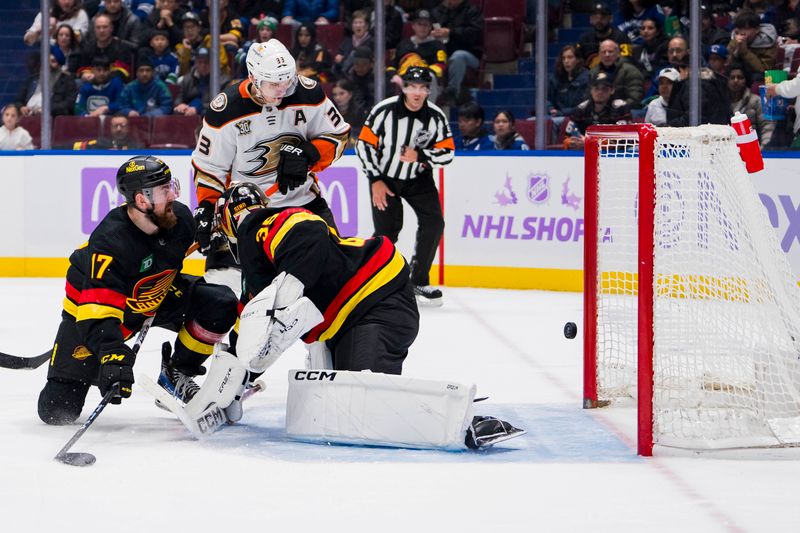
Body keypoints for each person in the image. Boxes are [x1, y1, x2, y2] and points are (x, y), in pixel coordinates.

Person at [210, 181, 523, 450]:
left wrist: (292, 285)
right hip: (355, 315)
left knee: (367, 403)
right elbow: (252, 332)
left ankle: (465, 422)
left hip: (377, 298)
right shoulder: (262, 270)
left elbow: (309, 231)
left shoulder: (260, 226)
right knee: (345, 407)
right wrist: (235, 383)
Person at [36, 156, 238, 425]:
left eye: (172, 186)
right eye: (164, 191)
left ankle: (176, 373)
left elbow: (173, 253)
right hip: (95, 313)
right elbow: (96, 313)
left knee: (220, 304)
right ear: (142, 201)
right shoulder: (111, 242)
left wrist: (217, 227)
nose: (174, 195)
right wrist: (113, 354)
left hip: (156, 295)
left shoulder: (180, 221)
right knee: (57, 410)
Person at [191, 38, 350, 293]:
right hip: (249, 212)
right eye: (274, 83)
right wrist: (207, 209)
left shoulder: (307, 93)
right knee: (255, 295)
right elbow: (210, 169)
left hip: (303, 203)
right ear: (253, 77)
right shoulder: (226, 110)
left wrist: (309, 153)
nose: (283, 89)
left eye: (287, 80)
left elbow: (339, 136)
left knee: (334, 281)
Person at [355, 66, 454, 306]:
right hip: (384, 178)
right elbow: (363, 145)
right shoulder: (384, 111)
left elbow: (448, 153)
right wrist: (375, 179)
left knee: (434, 222)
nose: (417, 92)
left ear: (429, 90)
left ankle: (418, 280)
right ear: (404, 87)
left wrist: (420, 156)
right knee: (387, 234)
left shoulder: (435, 116)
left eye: (422, 88)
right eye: (412, 87)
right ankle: (370, 282)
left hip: (418, 179)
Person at [388, 8, 447, 102]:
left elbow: (440, 66)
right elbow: (392, 66)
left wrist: (419, 73)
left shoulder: (437, 45)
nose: (422, 28)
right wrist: (395, 76)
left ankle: (428, 112)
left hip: (425, 79)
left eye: (426, 25)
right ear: (413, 26)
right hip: (404, 78)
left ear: (430, 27)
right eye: (419, 24)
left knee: (430, 76)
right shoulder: (403, 44)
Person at [431, 0, 483, 105]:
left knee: (458, 56)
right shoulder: (440, 11)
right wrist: (433, 33)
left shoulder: (471, 10)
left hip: (469, 54)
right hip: (444, 52)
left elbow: (475, 34)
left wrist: (451, 32)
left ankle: (451, 93)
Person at [564, 71, 632, 150]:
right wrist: (572, 142)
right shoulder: (580, 109)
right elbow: (566, 139)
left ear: (612, 90)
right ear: (591, 90)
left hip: (616, 156)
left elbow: (624, 141)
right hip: (584, 154)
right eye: (596, 88)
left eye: (604, 89)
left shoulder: (621, 108)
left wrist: (589, 144)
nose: (600, 92)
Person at [76, 13, 135, 82]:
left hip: (114, 84)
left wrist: (101, 77)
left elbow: (123, 71)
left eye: (105, 27)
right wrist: (84, 74)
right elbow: (83, 67)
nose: (101, 30)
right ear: (94, 29)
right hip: (92, 83)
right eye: (98, 27)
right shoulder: (88, 47)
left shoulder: (121, 47)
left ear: (111, 29)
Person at [547, 44, 590, 138]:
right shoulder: (555, 78)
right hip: (556, 116)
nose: (566, 61)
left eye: (570, 57)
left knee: (554, 122)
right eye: (564, 58)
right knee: (534, 121)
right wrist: (550, 109)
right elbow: (546, 99)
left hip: (578, 119)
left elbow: (584, 105)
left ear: (578, 60)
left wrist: (561, 113)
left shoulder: (587, 78)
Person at [175, 47, 232, 116]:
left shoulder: (223, 80)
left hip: (211, 116)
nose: (203, 65)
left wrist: (198, 109)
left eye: (206, 62)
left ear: (213, 63)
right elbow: (178, 97)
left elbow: (222, 103)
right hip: (187, 114)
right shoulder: (186, 79)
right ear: (195, 63)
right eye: (200, 62)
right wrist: (180, 105)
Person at [589, 39, 645, 109]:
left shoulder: (631, 71)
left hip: (624, 110)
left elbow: (635, 98)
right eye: (603, 52)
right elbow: (588, 95)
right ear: (599, 55)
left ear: (618, 53)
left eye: (610, 51)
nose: (607, 55)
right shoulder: (593, 72)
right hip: (599, 110)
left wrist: (622, 105)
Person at [729, 64, 774, 147]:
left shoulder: (756, 101)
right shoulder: (722, 102)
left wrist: (765, 148)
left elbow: (767, 126)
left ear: (746, 80)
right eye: (732, 78)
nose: (736, 80)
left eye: (740, 77)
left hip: (753, 151)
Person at [727, 10, 778, 83]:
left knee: (755, 77)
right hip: (743, 72)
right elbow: (727, 63)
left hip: (768, 75)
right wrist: (733, 48)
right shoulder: (735, 39)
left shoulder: (768, 41)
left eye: (746, 29)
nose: (742, 32)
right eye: (740, 29)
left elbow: (765, 69)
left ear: (757, 29)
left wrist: (745, 52)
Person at [577, 2, 632, 68]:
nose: (599, 21)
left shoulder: (622, 38)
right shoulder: (584, 39)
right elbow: (578, 62)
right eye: (595, 17)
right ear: (590, 19)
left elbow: (627, 60)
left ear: (610, 18)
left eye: (603, 17)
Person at [24, 0, 89, 46]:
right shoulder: (46, 14)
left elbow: (77, 38)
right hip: (48, 58)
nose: (67, 2)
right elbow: (28, 40)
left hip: (73, 58)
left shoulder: (80, 14)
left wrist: (54, 31)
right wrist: (39, 30)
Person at [334, 9, 373, 78]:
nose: (358, 25)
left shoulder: (372, 41)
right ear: (352, 26)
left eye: (361, 23)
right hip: (345, 76)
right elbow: (340, 57)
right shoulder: (346, 42)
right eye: (355, 23)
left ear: (366, 26)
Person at [74, 115, 144, 150]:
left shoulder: (137, 145)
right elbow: (75, 146)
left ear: (128, 128)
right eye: (115, 126)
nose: (119, 129)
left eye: (122, 126)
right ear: (110, 128)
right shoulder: (101, 143)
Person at [331, 78, 367, 146]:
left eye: (341, 94)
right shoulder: (329, 113)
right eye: (335, 94)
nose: (337, 98)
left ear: (350, 94)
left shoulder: (360, 113)